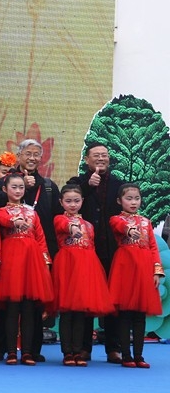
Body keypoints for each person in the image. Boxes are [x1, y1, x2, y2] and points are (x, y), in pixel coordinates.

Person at [0, 139, 60, 362]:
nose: (32, 158)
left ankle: (32, 350)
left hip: (35, 254)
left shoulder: (48, 185)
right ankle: (2, 348)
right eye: (28, 153)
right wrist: (23, 186)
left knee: (33, 306)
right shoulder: (4, 182)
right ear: (19, 156)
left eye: (36, 154)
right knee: (8, 306)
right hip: (10, 253)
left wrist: (47, 259)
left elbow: (53, 220)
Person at [67, 141, 124, 363]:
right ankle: (84, 347)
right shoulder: (77, 183)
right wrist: (88, 186)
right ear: (87, 160)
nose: (101, 158)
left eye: (104, 155)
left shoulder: (119, 185)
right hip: (86, 252)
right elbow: (70, 203)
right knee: (86, 298)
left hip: (112, 250)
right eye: (96, 155)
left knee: (113, 298)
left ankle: (113, 347)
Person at [51, 184, 114, 366]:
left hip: (87, 268)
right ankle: (67, 352)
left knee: (80, 313)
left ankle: (78, 351)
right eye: (68, 201)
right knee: (67, 312)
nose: (73, 204)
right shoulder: (59, 219)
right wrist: (72, 228)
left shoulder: (88, 225)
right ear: (61, 202)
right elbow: (64, 225)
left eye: (76, 201)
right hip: (67, 267)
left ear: (82, 202)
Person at [108, 184, 163, 368]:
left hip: (144, 269)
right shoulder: (116, 219)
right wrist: (129, 229)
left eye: (137, 198)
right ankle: (126, 355)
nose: (133, 202)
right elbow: (120, 226)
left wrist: (156, 271)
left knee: (140, 315)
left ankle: (139, 355)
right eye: (129, 198)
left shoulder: (146, 222)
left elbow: (153, 247)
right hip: (125, 268)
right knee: (125, 314)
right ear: (119, 201)